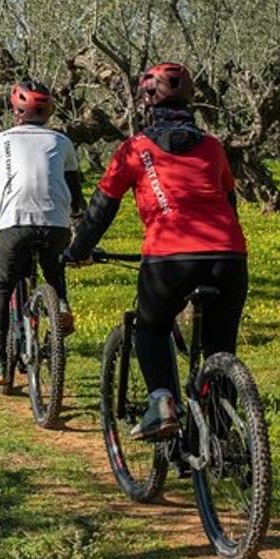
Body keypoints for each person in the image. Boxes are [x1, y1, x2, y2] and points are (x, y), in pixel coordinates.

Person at [65, 62, 247, 440]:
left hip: (169, 256)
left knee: (150, 327)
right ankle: (220, 445)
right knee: (220, 349)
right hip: (228, 256)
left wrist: (78, 249)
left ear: (147, 101)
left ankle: (161, 403)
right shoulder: (213, 147)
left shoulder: (135, 148)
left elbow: (102, 205)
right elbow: (230, 202)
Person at [0, 79, 83, 384]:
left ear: (15, 111)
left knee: (2, 287)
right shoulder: (62, 142)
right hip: (55, 224)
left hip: (15, 223)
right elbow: (75, 191)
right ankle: (59, 303)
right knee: (54, 270)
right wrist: (76, 213)